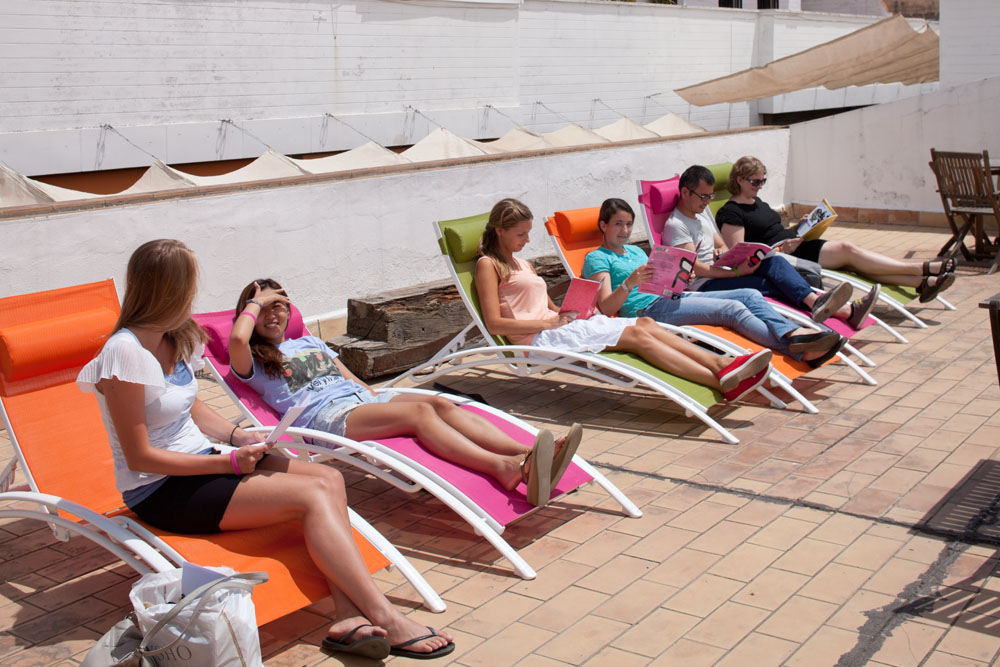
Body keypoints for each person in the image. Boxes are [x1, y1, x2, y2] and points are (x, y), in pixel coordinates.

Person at [77, 239, 454, 661]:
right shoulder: (124, 354)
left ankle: (347, 615)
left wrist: (237, 436)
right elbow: (140, 457)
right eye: (190, 284)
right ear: (169, 288)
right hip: (162, 488)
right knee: (310, 496)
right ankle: (385, 614)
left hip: (204, 460)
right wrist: (227, 461)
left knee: (328, 478)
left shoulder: (174, 337)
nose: (194, 293)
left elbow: (190, 405)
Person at [229, 278, 583, 510]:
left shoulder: (309, 341)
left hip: (361, 402)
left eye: (280, 306)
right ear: (251, 314)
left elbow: (352, 379)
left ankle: (531, 453)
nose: (273, 314)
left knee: (439, 403)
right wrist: (258, 300)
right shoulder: (253, 360)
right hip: (327, 418)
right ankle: (503, 468)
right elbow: (237, 339)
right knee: (419, 416)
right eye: (264, 309)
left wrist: (378, 397)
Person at [474, 197, 775, 403]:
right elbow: (494, 322)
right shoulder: (488, 265)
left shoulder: (523, 264)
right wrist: (551, 321)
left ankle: (722, 364)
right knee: (635, 337)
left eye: (527, 233)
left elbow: (544, 305)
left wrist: (568, 310)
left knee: (643, 323)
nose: (526, 241)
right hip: (536, 341)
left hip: (557, 326)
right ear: (499, 231)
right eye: (520, 235)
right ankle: (718, 380)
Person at [582, 198, 844, 368]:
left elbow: (660, 282)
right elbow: (605, 308)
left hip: (670, 297)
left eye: (628, 224)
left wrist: (681, 278)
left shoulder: (637, 252)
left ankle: (794, 334)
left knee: (750, 294)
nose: (625, 231)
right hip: (646, 311)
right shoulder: (596, 258)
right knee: (731, 310)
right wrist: (629, 283)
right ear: (603, 225)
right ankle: (798, 350)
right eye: (618, 224)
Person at [664, 165, 880, 330]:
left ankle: (824, 305)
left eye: (710, 196)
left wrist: (724, 252)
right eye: (703, 196)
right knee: (768, 282)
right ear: (685, 192)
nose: (707, 202)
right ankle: (841, 311)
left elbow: (720, 244)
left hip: (721, 273)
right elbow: (695, 268)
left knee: (774, 261)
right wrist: (737, 272)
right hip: (704, 286)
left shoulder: (702, 217)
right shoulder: (677, 225)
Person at [716, 156, 956, 304]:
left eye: (762, 181)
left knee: (854, 265)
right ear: (739, 180)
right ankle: (921, 268)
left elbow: (774, 229)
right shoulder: (731, 212)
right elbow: (741, 255)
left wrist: (802, 226)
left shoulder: (759, 203)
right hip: (785, 257)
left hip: (797, 244)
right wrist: (780, 248)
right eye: (755, 181)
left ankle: (921, 282)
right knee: (848, 250)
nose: (760, 186)